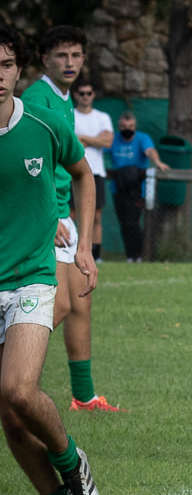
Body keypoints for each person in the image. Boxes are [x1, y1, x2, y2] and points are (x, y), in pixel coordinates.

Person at [0, 23, 102, 495]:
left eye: (5, 65)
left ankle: (71, 461)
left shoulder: (42, 120)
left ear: (19, 69)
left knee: (17, 388)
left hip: (30, 278)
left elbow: (83, 174)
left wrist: (83, 244)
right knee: (11, 420)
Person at [22, 24, 123, 412]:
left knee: (81, 301)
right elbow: (32, 165)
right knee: (60, 305)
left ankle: (84, 397)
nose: (70, 62)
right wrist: (53, 217)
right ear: (44, 59)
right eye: (61, 55)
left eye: (76, 55)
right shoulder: (38, 98)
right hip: (49, 216)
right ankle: (14, 375)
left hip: (64, 211)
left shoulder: (62, 98)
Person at [108, 110, 169, 263]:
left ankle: (140, 254)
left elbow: (150, 151)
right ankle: (130, 255)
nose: (126, 129)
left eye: (130, 126)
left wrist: (157, 162)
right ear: (118, 126)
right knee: (124, 223)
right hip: (118, 188)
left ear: (135, 126)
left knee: (133, 222)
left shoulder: (142, 138)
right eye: (123, 126)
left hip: (136, 189)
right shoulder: (113, 139)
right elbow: (98, 148)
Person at [71, 77, 112, 262]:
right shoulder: (70, 114)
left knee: (96, 217)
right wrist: (95, 140)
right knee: (71, 214)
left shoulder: (102, 117)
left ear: (93, 95)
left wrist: (84, 138)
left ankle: (96, 255)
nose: (85, 97)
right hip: (73, 172)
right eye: (82, 94)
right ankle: (71, 252)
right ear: (75, 95)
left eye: (88, 93)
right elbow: (72, 142)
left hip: (96, 173)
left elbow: (108, 142)